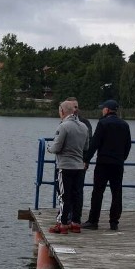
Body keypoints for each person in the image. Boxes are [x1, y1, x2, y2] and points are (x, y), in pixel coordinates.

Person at [82, 100, 132, 230]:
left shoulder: (103, 123)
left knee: (98, 192)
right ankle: (114, 222)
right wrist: (122, 158)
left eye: (103, 108)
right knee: (116, 192)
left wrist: (86, 159)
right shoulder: (124, 125)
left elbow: (94, 143)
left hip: (103, 163)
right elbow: (128, 145)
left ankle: (93, 221)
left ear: (107, 110)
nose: (102, 110)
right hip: (118, 164)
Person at [46, 99, 90, 234]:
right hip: (78, 166)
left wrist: (49, 148)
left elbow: (57, 147)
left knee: (64, 196)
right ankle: (76, 223)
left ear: (63, 111)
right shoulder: (84, 127)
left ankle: (63, 223)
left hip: (65, 166)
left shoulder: (63, 126)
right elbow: (86, 147)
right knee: (77, 195)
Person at [67, 96, 92, 227]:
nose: (75, 109)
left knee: (77, 190)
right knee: (65, 190)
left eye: (76, 106)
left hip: (79, 162)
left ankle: (76, 217)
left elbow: (89, 143)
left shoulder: (85, 123)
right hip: (65, 163)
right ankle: (66, 214)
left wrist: (86, 160)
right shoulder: (63, 122)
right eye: (72, 107)